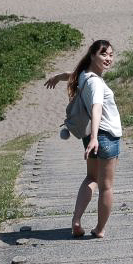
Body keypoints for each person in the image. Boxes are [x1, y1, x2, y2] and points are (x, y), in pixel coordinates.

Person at [44, 39, 122, 238]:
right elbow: (97, 107)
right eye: (104, 54)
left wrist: (57, 77)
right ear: (92, 55)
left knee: (91, 178)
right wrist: (96, 137)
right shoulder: (96, 83)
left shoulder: (85, 76)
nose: (108, 58)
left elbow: (71, 76)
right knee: (106, 186)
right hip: (104, 136)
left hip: (90, 136)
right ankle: (100, 229)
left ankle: (76, 220)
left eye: (111, 55)